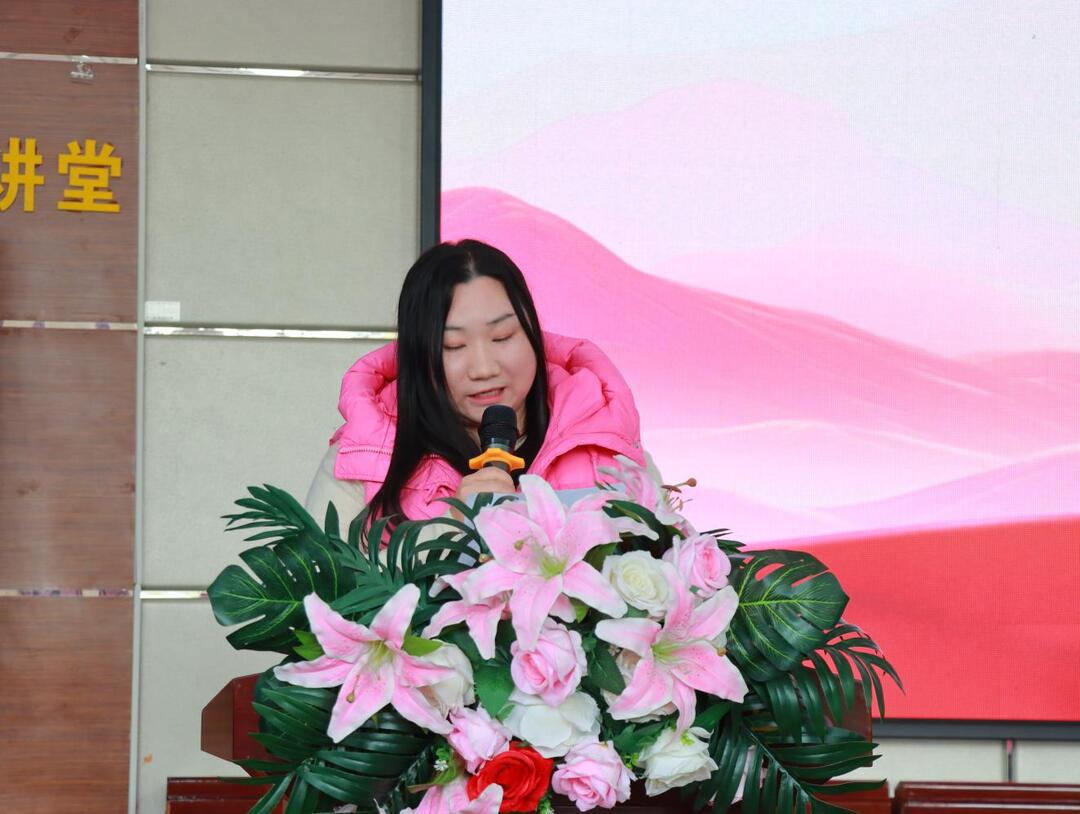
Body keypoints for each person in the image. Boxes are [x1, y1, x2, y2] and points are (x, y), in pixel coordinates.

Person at [304, 239, 646, 525]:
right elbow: (316, 581)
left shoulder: (603, 439)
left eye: (502, 336)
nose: (483, 368)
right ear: (418, 355)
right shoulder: (362, 456)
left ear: (533, 333)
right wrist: (451, 531)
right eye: (453, 346)